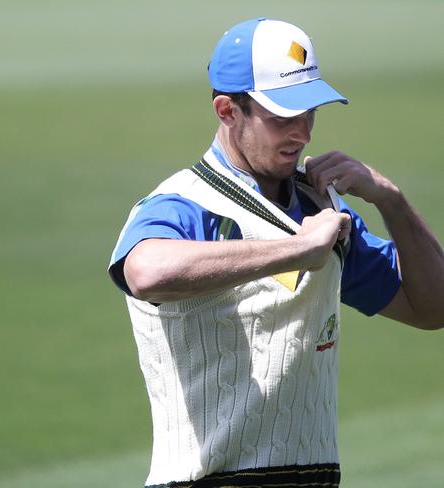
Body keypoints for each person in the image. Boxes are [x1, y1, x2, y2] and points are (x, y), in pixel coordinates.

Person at [107, 17, 444, 488]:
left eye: (310, 113)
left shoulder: (320, 208)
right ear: (227, 110)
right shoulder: (184, 203)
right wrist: (295, 250)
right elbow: (145, 271)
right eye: (283, 116)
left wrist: (391, 198)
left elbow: (432, 308)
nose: (302, 133)